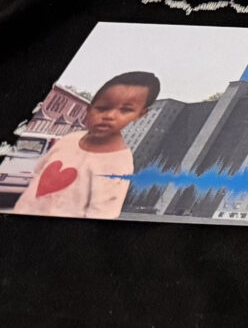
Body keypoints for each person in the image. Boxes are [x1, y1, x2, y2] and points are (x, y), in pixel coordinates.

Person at [15, 72, 159, 219]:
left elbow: (100, 217)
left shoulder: (118, 165)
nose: (109, 116)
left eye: (126, 110)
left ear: (140, 115)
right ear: (90, 107)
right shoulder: (68, 140)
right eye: (102, 107)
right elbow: (38, 176)